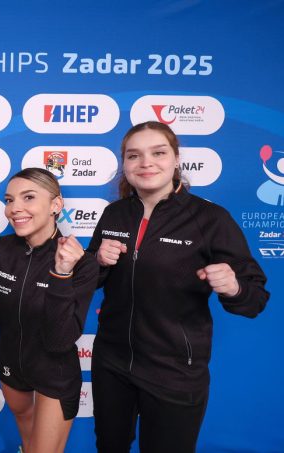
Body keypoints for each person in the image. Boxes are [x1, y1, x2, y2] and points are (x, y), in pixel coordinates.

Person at [87, 121, 269, 452]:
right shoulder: (113, 214)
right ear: (124, 163)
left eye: (158, 153)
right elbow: (89, 279)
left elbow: (255, 298)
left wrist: (233, 288)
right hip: (111, 362)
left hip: (173, 370)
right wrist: (97, 261)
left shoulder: (210, 218)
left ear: (176, 159)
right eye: (134, 155)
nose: (146, 163)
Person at [0, 168, 99, 453]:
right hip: (11, 367)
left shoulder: (83, 263)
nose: (14, 208)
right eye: (9, 200)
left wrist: (61, 274)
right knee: (28, 445)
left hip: (54, 373)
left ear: (56, 205)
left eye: (28, 197)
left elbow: (59, 340)